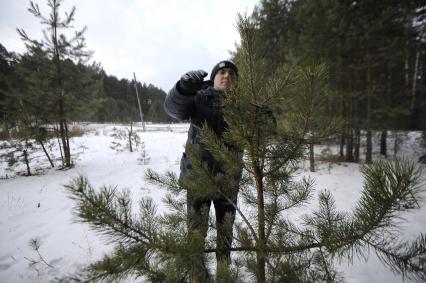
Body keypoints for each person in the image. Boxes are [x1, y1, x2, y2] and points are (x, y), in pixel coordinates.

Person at [164, 60, 241, 280]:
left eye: (231, 74)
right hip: (198, 179)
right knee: (196, 234)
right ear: (214, 77)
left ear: (236, 82)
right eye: (222, 72)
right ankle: (197, 276)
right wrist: (183, 88)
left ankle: (223, 274)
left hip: (228, 182)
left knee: (225, 234)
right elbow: (173, 109)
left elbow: (267, 126)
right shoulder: (198, 98)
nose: (226, 76)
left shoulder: (242, 105)